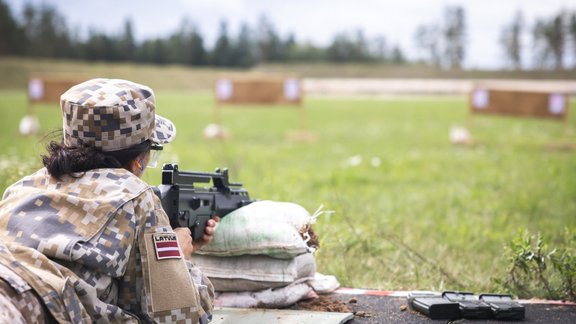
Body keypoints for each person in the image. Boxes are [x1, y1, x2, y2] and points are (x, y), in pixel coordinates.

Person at [0, 78, 218, 323]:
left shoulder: (21, 188)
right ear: (139, 160)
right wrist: (179, 259)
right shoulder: (136, 196)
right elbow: (181, 316)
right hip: (27, 308)